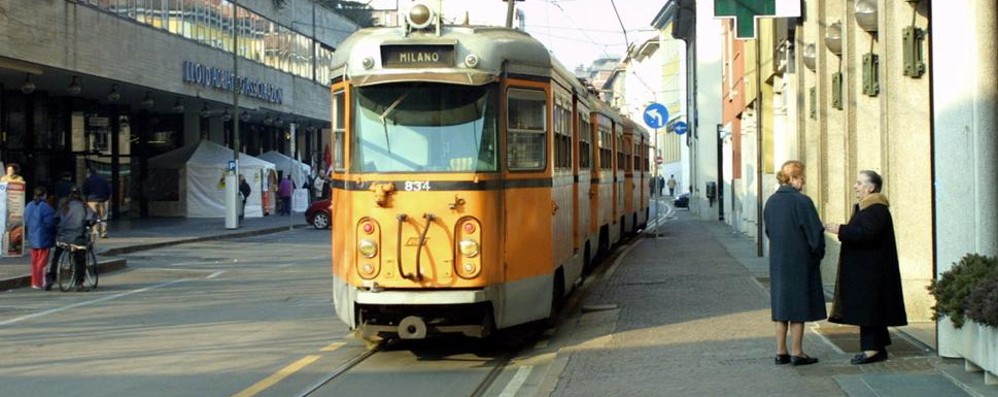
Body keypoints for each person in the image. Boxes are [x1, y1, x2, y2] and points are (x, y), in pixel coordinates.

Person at [824, 170, 907, 365]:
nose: (856, 187)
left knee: (869, 310)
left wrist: (841, 229)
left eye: (860, 183)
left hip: (870, 271)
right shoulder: (869, 208)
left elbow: (867, 234)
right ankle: (878, 347)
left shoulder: (875, 208)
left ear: (871, 188)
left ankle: (871, 350)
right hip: (867, 269)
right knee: (871, 309)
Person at [762, 160, 825, 366]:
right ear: (794, 179)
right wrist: (817, 254)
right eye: (802, 178)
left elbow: (769, 231)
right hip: (800, 260)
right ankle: (797, 351)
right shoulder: (802, 201)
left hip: (779, 260)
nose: (803, 183)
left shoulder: (771, 201)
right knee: (798, 307)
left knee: (781, 306)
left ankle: (781, 351)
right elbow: (815, 235)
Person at [46, 186, 94, 291]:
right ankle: (79, 283)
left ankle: (50, 279)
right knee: (80, 259)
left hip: (63, 236)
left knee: (57, 257)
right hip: (77, 237)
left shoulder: (63, 205)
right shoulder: (84, 206)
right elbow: (91, 218)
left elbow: (56, 218)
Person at [24, 186, 56, 289]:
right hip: (44, 237)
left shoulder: (29, 205)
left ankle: (34, 282)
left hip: (32, 237)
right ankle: (40, 282)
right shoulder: (46, 207)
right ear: (44, 195)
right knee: (42, 262)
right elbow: (50, 222)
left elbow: (26, 218)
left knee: (34, 262)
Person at [82, 167, 111, 238]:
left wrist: (85, 201)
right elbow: (108, 191)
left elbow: (84, 192)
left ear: (89, 173)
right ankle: (103, 232)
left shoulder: (87, 181)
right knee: (103, 217)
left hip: (91, 201)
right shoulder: (103, 180)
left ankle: (95, 231)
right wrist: (106, 199)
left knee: (93, 217)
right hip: (102, 200)